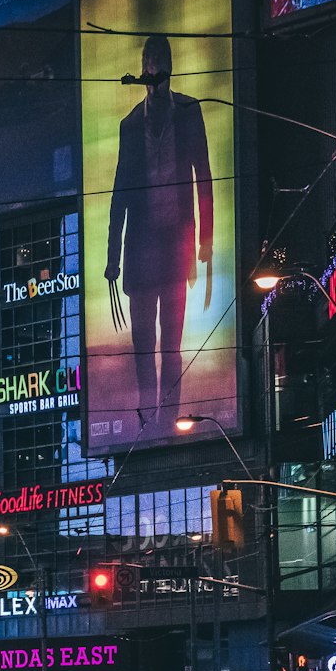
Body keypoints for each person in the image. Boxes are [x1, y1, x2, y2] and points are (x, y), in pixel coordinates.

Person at [105, 34, 213, 433]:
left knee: (171, 345)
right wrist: (112, 259)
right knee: (142, 348)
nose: (152, 71)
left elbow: (204, 175)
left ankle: (169, 420)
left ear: (168, 66)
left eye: (158, 63)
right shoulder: (129, 125)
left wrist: (206, 241)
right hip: (139, 252)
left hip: (175, 248)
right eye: (147, 63)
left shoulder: (189, 111)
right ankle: (147, 420)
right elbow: (118, 193)